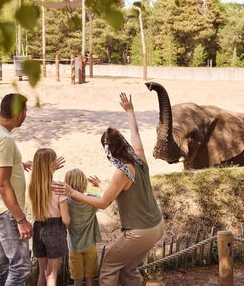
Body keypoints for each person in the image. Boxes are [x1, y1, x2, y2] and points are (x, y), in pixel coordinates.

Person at [53, 93, 165, 286]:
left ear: (109, 152)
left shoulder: (121, 172)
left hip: (140, 231)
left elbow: (104, 203)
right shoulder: (139, 158)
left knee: (109, 268)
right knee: (128, 269)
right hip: (157, 226)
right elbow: (135, 134)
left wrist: (72, 193)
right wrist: (129, 111)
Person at [0, 93, 33, 286]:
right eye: (25, 111)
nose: (26, 115)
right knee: (21, 267)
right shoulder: (3, 140)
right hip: (7, 211)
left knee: (1, 263)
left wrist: (18, 164)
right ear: (19, 114)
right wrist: (21, 219)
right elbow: (2, 184)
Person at [29, 148, 70, 286]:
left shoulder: (33, 187)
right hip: (55, 230)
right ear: (52, 164)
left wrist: (49, 170)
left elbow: (43, 182)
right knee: (51, 275)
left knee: (42, 272)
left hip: (38, 228)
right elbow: (66, 220)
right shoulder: (58, 187)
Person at [64, 168, 102, 286]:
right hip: (90, 245)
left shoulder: (66, 202)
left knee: (77, 281)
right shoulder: (92, 200)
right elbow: (107, 197)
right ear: (84, 183)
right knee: (90, 279)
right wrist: (99, 184)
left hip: (74, 247)